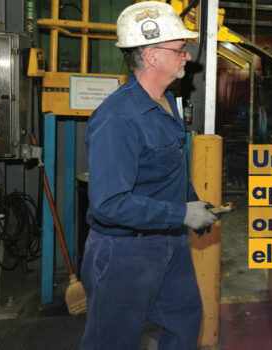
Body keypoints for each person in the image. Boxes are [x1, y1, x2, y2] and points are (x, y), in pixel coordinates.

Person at [80, 2, 216, 349]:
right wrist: (182, 213)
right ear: (152, 56)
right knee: (112, 340)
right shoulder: (119, 118)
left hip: (169, 242)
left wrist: (190, 202)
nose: (187, 57)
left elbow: (169, 167)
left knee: (184, 321)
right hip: (124, 251)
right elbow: (109, 204)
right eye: (181, 50)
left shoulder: (167, 100)